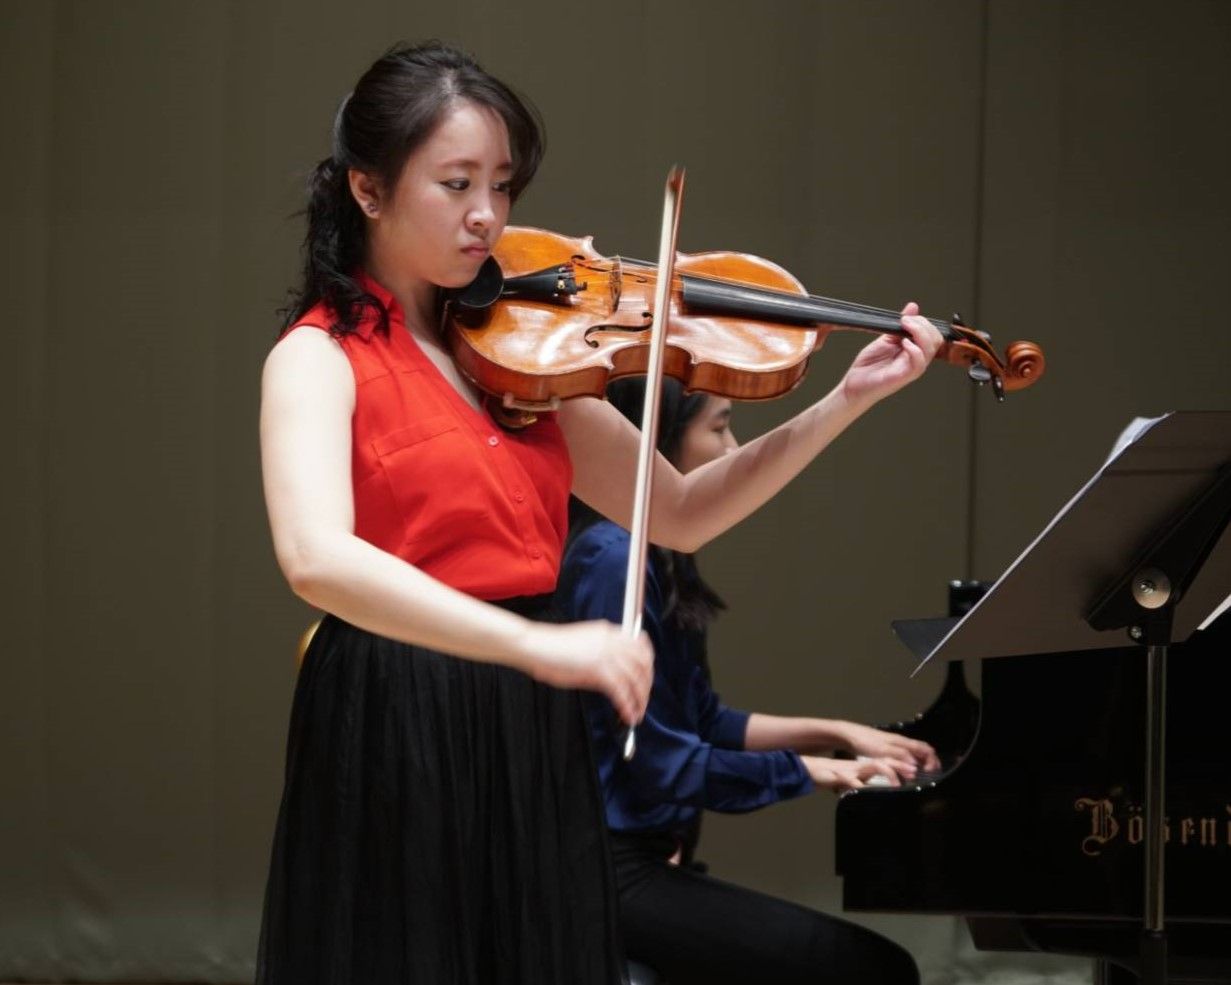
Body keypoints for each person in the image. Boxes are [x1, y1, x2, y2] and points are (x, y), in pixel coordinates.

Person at [256, 39, 943, 985]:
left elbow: (681, 510)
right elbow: (316, 559)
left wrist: (845, 402)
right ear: (368, 191)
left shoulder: (514, 354)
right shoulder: (318, 356)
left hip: (524, 714)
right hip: (400, 705)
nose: (487, 214)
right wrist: (536, 645)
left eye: (502, 185)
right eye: (455, 184)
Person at [558, 376, 941, 985]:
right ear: (659, 438)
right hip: (602, 869)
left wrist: (839, 734)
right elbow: (665, 764)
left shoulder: (650, 551)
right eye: (719, 426)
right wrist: (816, 771)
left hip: (642, 856)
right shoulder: (613, 559)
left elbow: (704, 720)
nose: (733, 447)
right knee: (875, 970)